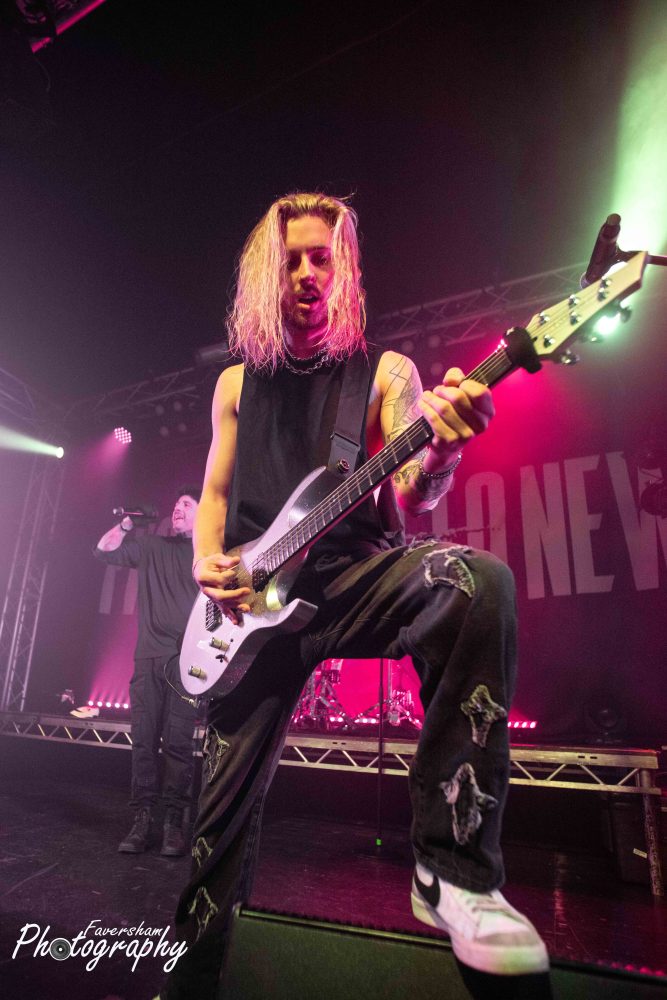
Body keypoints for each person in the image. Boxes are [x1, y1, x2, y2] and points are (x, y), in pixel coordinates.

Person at [161, 193, 548, 997]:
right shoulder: (234, 384)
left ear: (343, 271)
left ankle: (453, 870)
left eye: (321, 258)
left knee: (476, 581)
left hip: (354, 578)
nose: (307, 273)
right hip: (251, 606)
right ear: (266, 274)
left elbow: (411, 501)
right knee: (212, 831)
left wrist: (439, 456)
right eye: (291, 260)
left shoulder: (387, 374)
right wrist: (205, 561)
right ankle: (188, 980)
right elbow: (215, 491)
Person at [95, 487, 201, 857]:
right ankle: (142, 819)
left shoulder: (207, 557)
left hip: (186, 664)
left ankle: (173, 822)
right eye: (176, 503)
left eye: (187, 504)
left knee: (178, 744)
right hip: (148, 660)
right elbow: (104, 551)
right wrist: (127, 524)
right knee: (143, 741)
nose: (177, 507)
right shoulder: (152, 547)